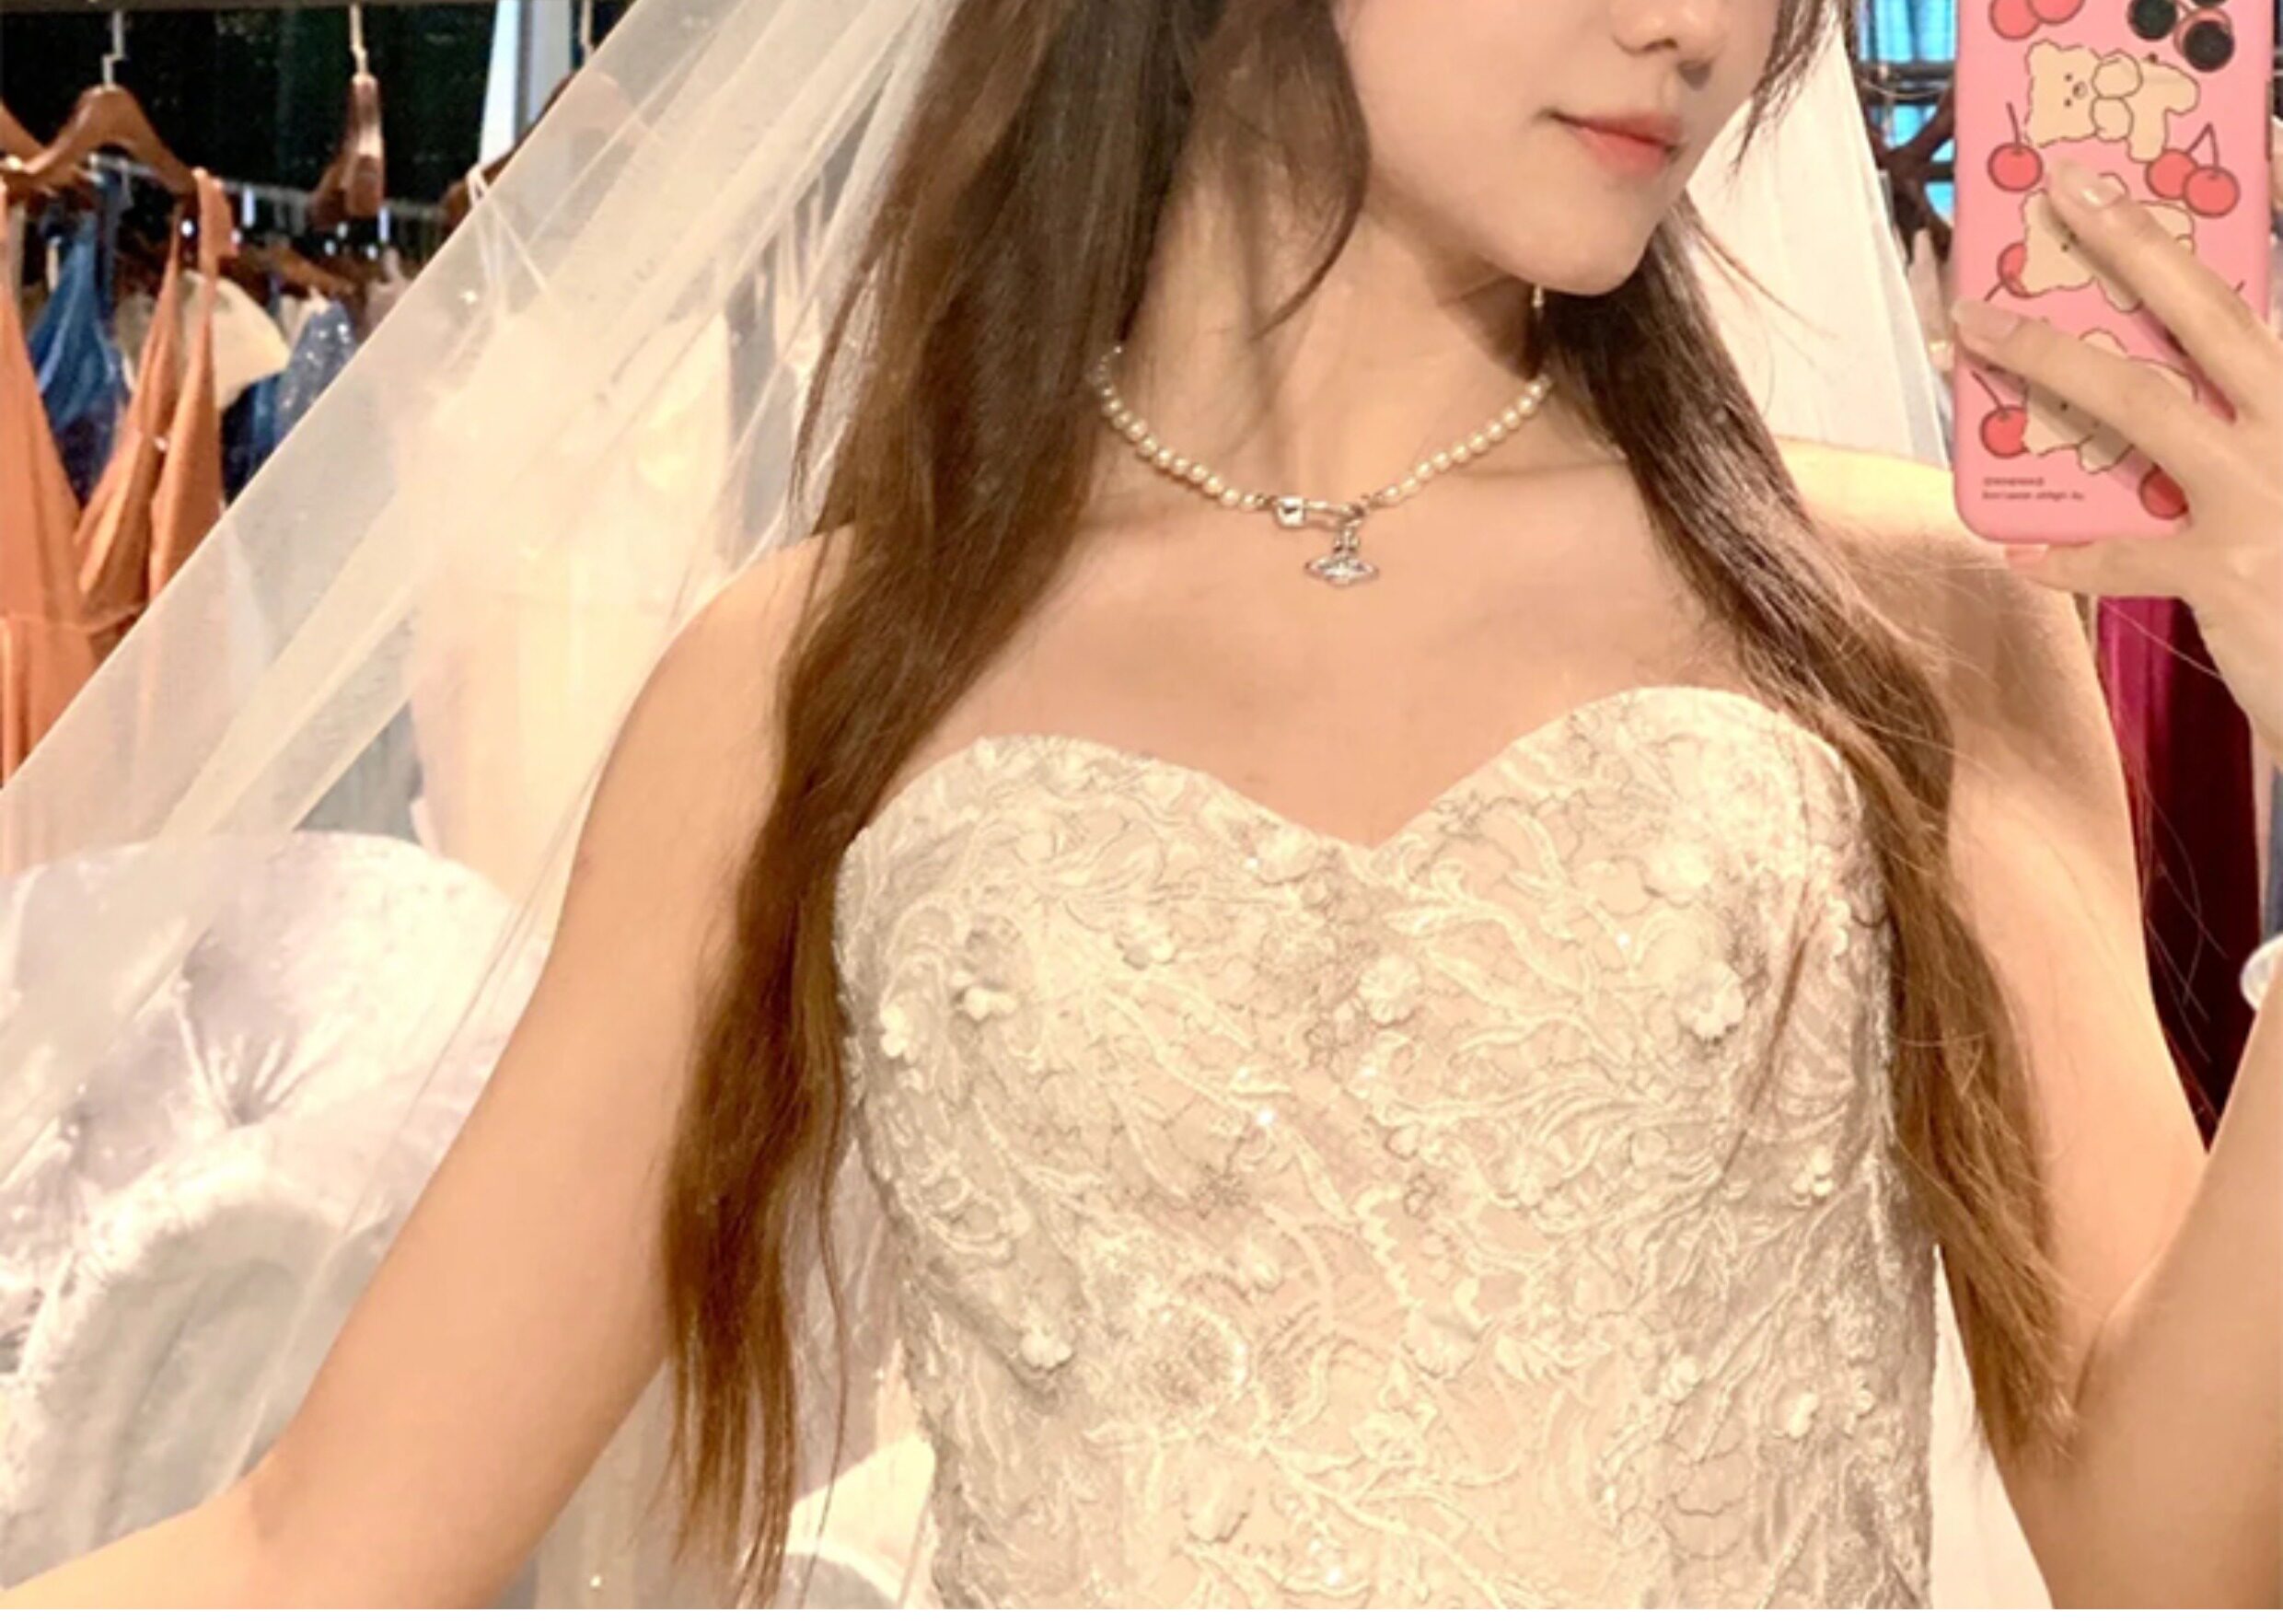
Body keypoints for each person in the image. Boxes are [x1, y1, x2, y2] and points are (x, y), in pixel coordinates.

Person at [6, 0, 2280, 1607]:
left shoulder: (1907, 619)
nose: (1696, 24)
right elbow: (316, 1546)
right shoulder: (812, 687)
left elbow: (2171, 1560)